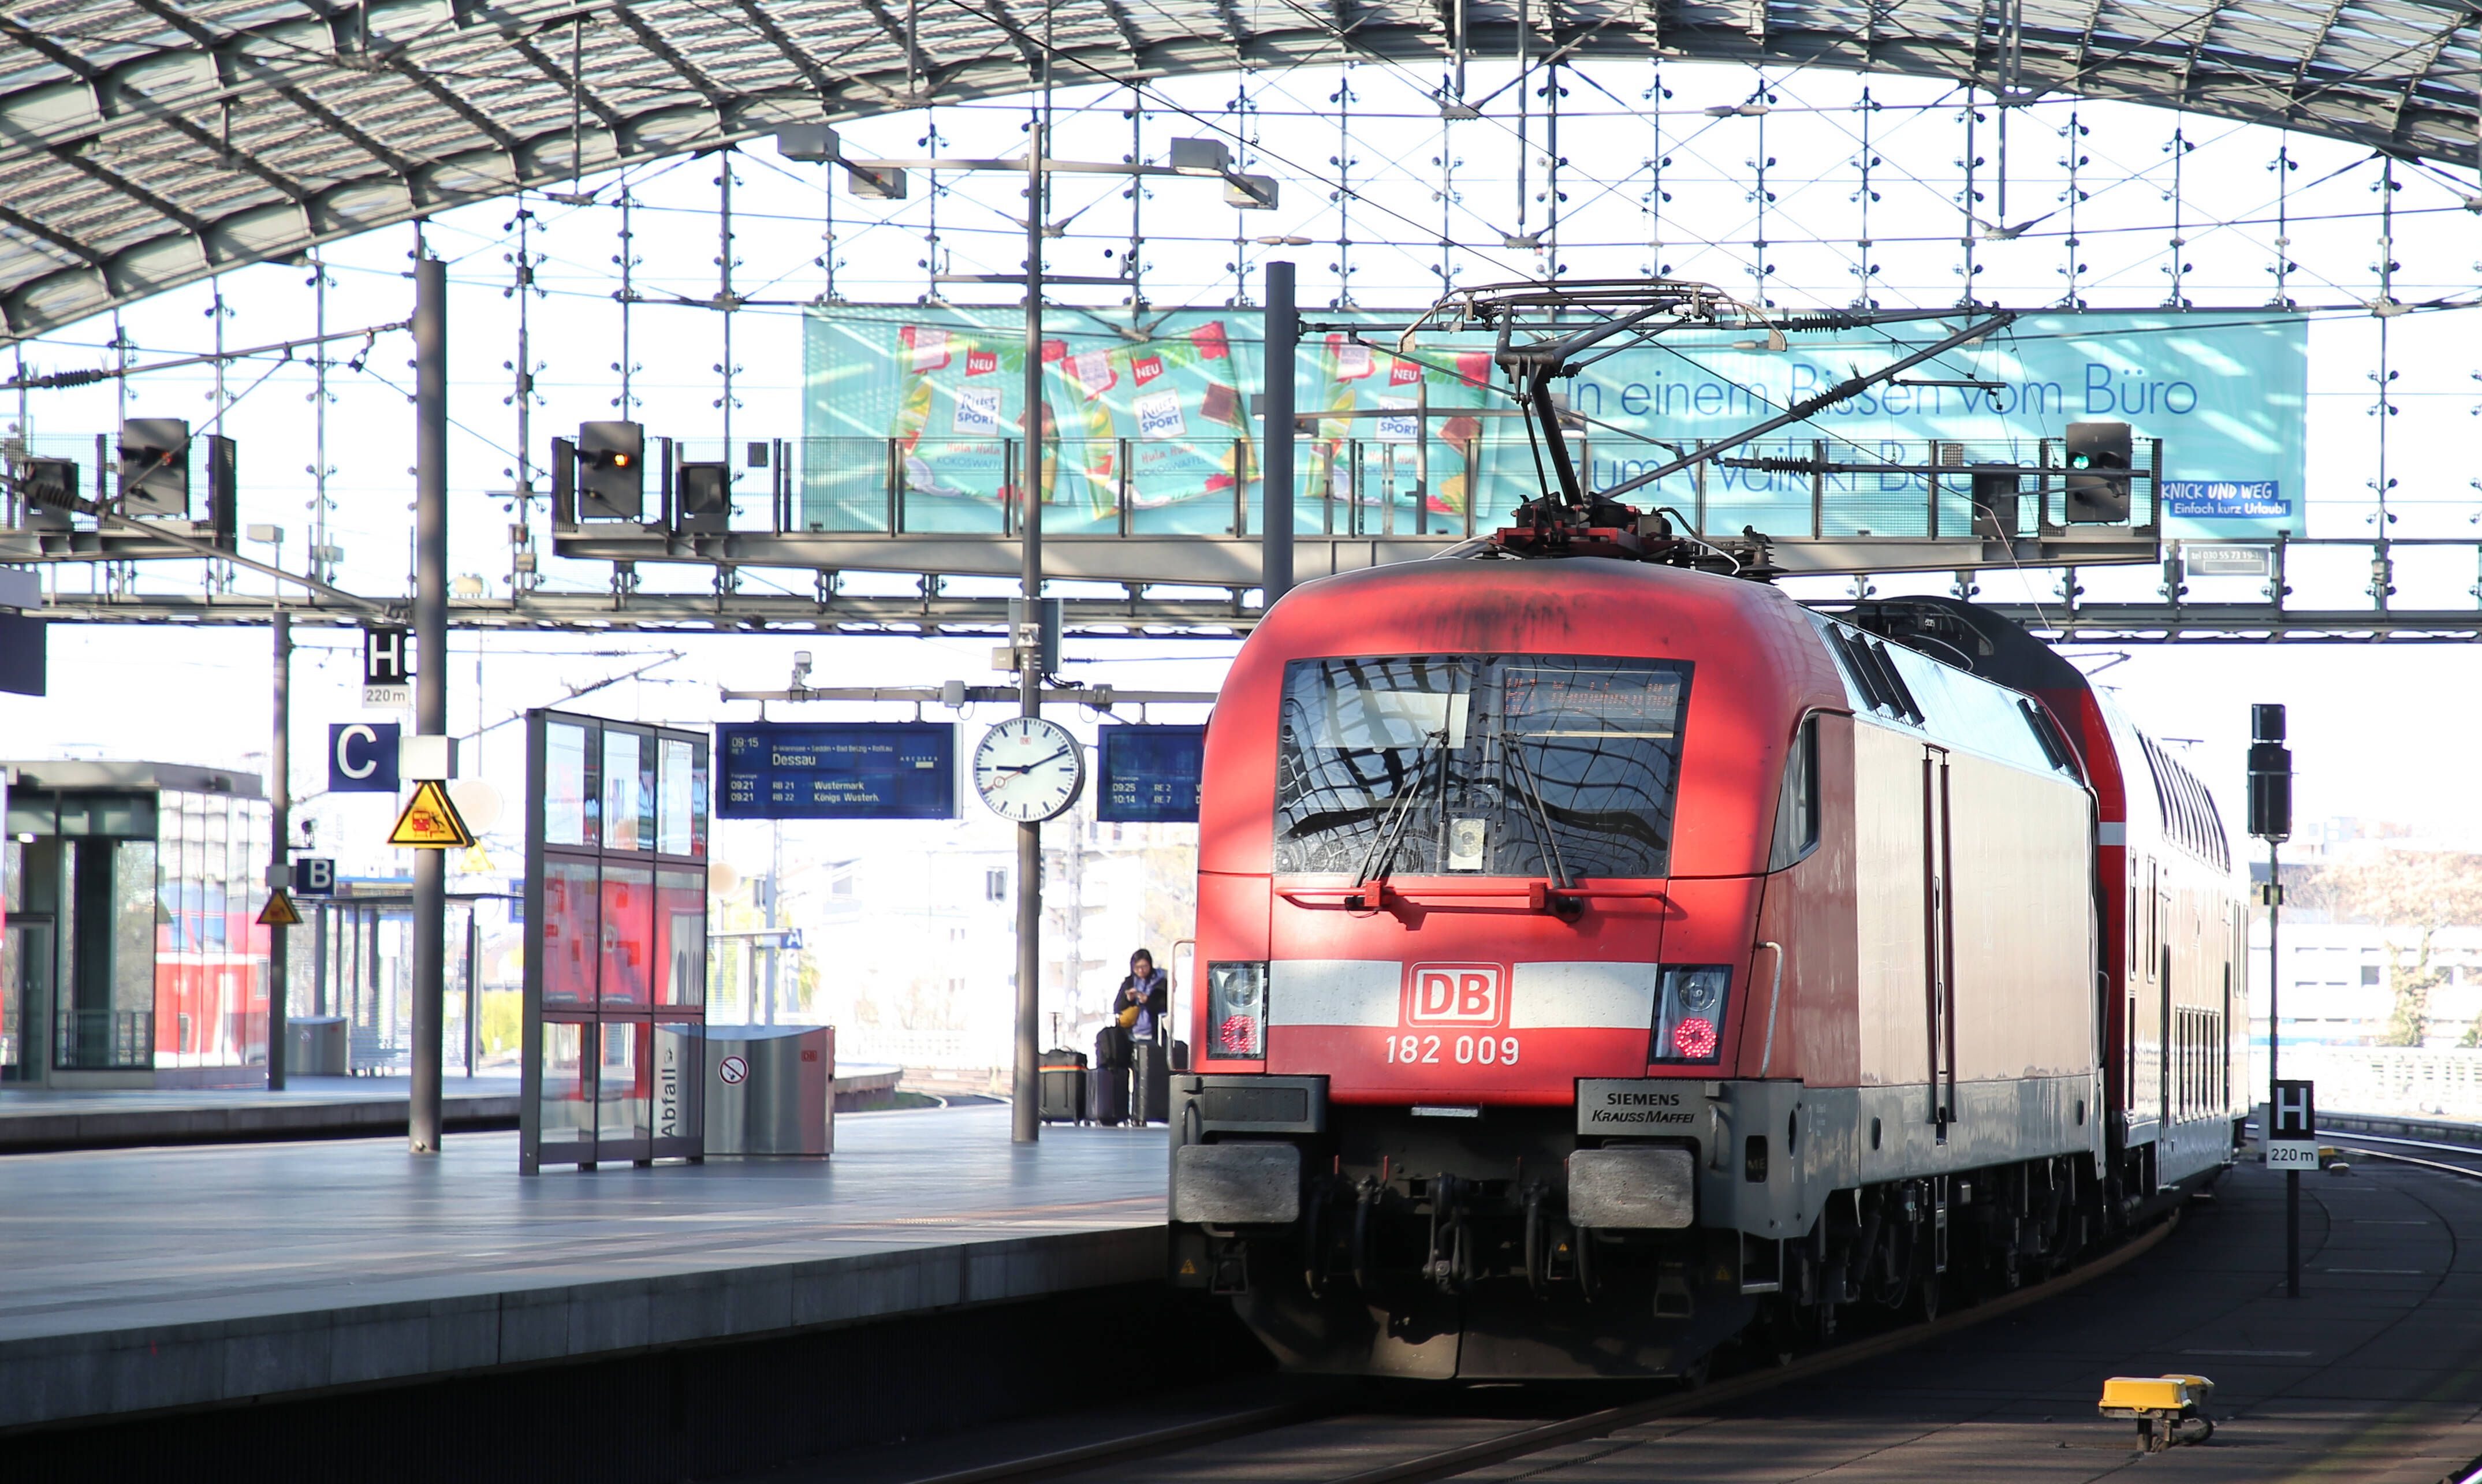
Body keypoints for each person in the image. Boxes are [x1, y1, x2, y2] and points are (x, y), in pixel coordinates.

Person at [1113, 949, 1171, 1046]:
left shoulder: (1160, 983)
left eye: (1144, 967)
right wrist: (1129, 1000)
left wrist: (1148, 1001)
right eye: (1137, 967)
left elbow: (1165, 1007)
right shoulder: (1129, 982)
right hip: (1130, 1035)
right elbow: (1117, 1007)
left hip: (1154, 1035)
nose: (1141, 970)